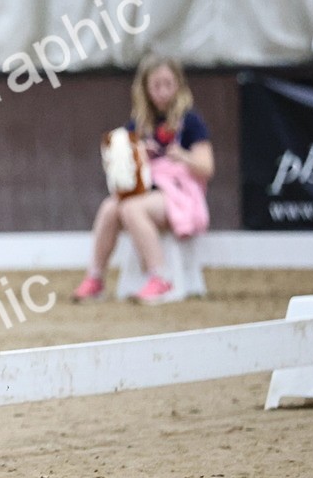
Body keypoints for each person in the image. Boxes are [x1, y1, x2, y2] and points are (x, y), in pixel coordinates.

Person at [73, 55, 215, 304]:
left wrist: (182, 156)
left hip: (179, 197)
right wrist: (138, 153)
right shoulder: (138, 124)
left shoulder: (190, 121)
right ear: (146, 88)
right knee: (109, 207)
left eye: (168, 84)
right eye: (156, 85)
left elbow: (206, 167)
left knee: (131, 208)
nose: (162, 92)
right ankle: (95, 277)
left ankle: (160, 276)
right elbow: (120, 165)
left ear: (178, 85)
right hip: (147, 192)